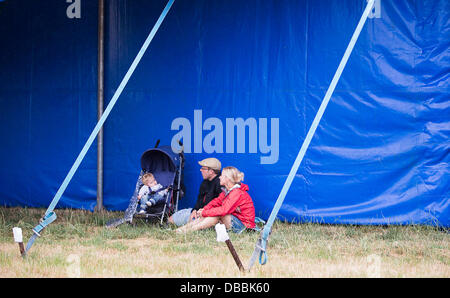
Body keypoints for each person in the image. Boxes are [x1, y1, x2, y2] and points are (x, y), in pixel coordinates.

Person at [176, 166, 256, 234]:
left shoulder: (236, 192)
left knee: (218, 214)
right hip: (236, 221)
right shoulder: (227, 191)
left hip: (245, 227)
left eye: (222, 175)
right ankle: (183, 229)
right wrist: (204, 210)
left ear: (227, 179)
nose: (219, 177)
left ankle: (189, 230)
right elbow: (215, 202)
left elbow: (224, 210)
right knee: (214, 212)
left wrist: (205, 212)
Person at [168, 158, 222, 226]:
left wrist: (202, 212)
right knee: (170, 220)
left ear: (211, 171)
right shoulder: (205, 182)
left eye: (203, 168)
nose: (200, 170)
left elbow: (220, 206)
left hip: (207, 215)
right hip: (199, 211)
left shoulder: (221, 183)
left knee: (189, 220)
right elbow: (200, 199)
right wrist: (194, 210)